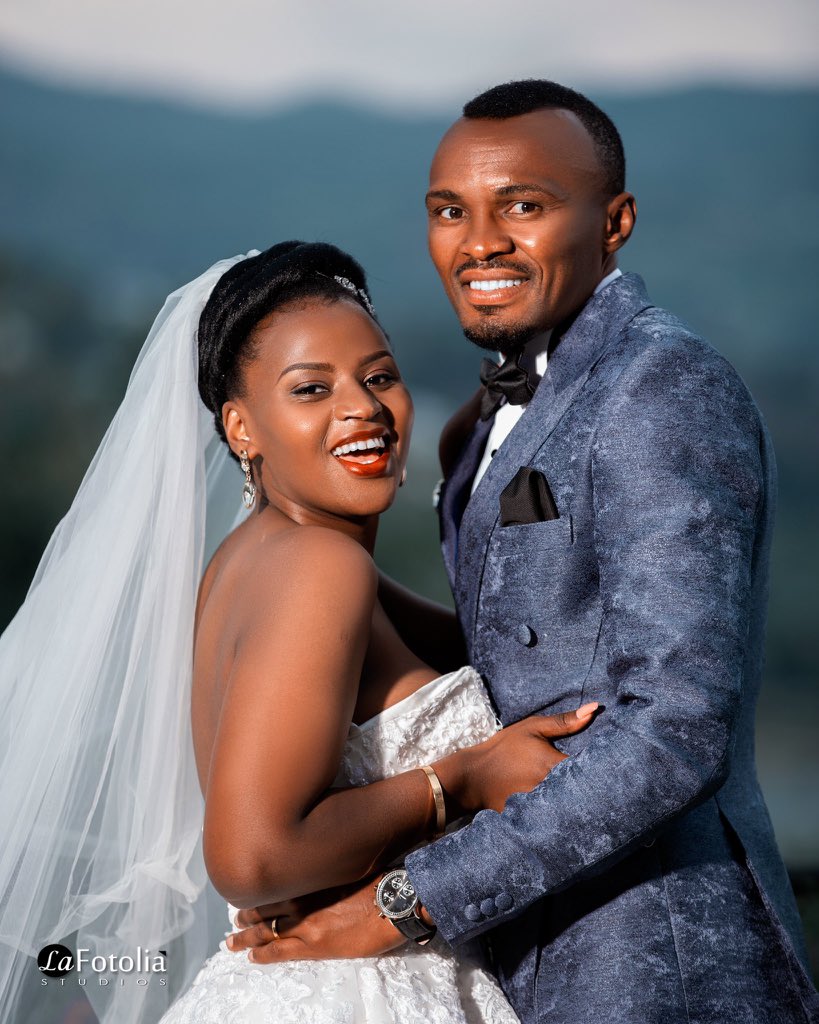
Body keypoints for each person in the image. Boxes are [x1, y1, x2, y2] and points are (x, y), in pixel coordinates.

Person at [228, 82, 819, 1023]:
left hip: (650, 960)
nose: (480, 242)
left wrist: (405, 903)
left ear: (614, 223)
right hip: (511, 953)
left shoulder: (660, 387)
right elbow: (511, 654)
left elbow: (674, 728)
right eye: (449, 212)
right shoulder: (474, 428)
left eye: (523, 206)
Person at [0, 239, 599, 1024]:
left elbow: (504, 660)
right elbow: (253, 856)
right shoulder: (319, 567)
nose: (362, 408)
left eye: (378, 377)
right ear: (241, 428)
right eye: (311, 388)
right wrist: (459, 781)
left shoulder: (265, 557)